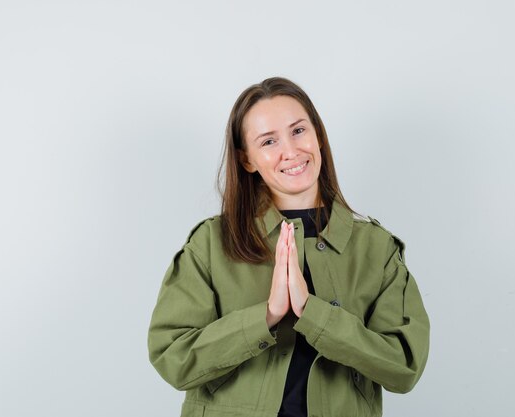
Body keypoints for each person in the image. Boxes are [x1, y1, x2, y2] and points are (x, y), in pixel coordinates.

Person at [147, 76, 430, 417]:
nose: (291, 151)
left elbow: (404, 367)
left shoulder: (376, 249)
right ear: (247, 159)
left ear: (318, 136)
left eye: (298, 131)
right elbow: (172, 358)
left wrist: (314, 314)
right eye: (268, 141)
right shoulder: (211, 243)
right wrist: (266, 316)